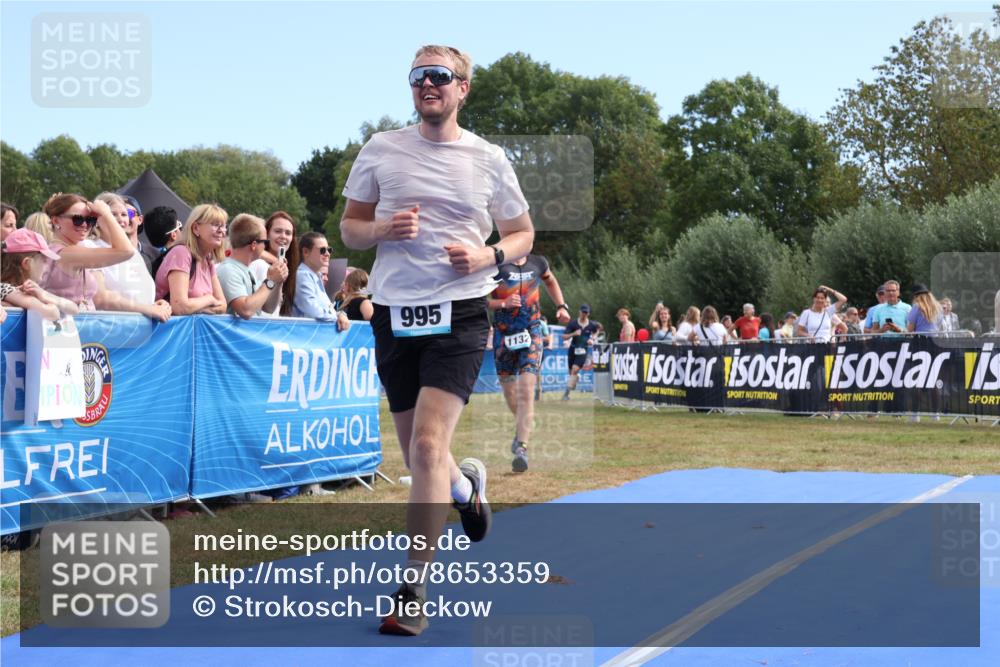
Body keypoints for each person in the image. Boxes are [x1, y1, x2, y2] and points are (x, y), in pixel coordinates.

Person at [339, 44, 534, 637]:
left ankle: (413, 589)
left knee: (425, 447)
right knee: (419, 454)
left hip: (462, 310)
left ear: (463, 88)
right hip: (395, 314)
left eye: (441, 76)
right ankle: (464, 488)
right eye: (419, 76)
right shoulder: (381, 148)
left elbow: (523, 233)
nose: (428, 84)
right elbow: (349, 228)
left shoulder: (488, 158)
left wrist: (487, 254)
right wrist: (380, 229)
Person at [488, 253, 570, 472]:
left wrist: (561, 306)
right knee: (510, 392)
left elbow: (550, 280)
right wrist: (502, 302)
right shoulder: (496, 263)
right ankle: (522, 428)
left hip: (532, 331)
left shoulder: (539, 262)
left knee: (526, 389)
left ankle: (522, 448)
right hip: (503, 334)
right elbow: (479, 300)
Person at [41, 193, 171, 321]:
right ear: (56, 220)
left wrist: (152, 306)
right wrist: (106, 214)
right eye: (78, 219)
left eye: (90, 219)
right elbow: (126, 252)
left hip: (82, 329)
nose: (85, 225)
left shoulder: (73, 250)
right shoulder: (65, 253)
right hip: (71, 330)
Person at [154, 204, 227, 315]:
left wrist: (196, 308)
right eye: (216, 225)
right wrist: (209, 299)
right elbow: (180, 307)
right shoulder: (181, 253)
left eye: (223, 226)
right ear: (196, 228)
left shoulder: (208, 260)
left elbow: (222, 305)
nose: (221, 230)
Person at [216, 214, 288, 319]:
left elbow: (268, 308)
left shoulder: (247, 269)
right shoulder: (228, 270)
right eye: (265, 242)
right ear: (254, 245)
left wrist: (277, 281)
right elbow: (246, 310)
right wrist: (270, 281)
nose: (265, 246)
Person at [89, 192, 156, 306]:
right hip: (112, 322)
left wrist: (157, 305)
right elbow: (101, 299)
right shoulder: (89, 247)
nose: (121, 220)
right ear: (97, 220)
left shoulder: (133, 252)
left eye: (124, 214)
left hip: (141, 321)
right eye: (113, 214)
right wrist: (148, 309)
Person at [1, 228, 80, 320]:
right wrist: (44, 298)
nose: (47, 266)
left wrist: (43, 294)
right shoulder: (5, 288)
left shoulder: (27, 291)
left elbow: (74, 309)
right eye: (44, 261)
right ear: (27, 263)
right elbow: (51, 314)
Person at [292, 232, 349, 330]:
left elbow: (325, 309)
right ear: (305, 252)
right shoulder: (302, 275)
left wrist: (340, 314)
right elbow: (312, 310)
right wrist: (337, 316)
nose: (327, 254)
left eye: (329, 250)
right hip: (303, 337)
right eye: (322, 250)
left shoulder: (314, 276)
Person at [249, 211, 300, 317]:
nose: (283, 236)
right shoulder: (258, 264)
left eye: (288, 233)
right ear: (266, 234)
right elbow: (266, 311)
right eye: (278, 231)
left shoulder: (290, 269)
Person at [561, 304, 601, 400]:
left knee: (574, 370)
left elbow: (596, 331)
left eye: (586, 313)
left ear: (588, 314)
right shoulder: (573, 324)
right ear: (579, 312)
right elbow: (564, 336)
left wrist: (592, 338)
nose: (584, 314)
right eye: (583, 312)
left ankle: (566, 394)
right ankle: (575, 379)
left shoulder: (591, 325)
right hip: (572, 350)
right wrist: (574, 333)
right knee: (571, 373)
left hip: (583, 350)